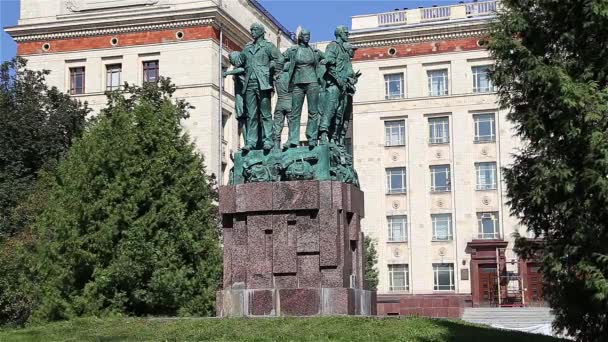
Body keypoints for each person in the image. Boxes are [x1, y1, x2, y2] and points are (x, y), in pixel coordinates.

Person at [242, 23, 283, 152]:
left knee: (265, 114)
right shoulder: (247, 47)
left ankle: (268, 140)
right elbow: (241, 62)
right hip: (249, 83)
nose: (252, 32)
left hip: (263, 83)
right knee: (251, 114)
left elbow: (280, 60)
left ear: (261, 32)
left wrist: (272, 71)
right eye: (251, 30)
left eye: (254, 30)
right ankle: (251, 142)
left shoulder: (268, 46)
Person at [282, 28, 324, 148]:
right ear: (300, 36)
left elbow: (327, 58)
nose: (307, 37)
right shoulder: (293, 50)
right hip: (297, 83)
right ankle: (293, 139)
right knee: (295, 112)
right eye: (305, 35)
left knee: (313, 112)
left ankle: (312, 138)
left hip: (312, 82)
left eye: (309, 35)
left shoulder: (314, 51)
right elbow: (280, 58)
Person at [319, 25, 352, 144]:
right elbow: (329, 64)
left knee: (339, 114)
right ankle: (323, 135)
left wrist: (350, 80)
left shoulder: (345, 50)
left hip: (343, 87)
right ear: (339, 34)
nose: (347, 35)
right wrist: (338, 79)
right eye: (346, 33)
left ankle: (334, 138)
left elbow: (348, 70)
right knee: (330, 110)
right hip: (334, 85)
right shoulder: (333, 46)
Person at [223, 51, 247, 142]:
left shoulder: (242, 68)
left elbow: (241, 70)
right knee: (242, 120)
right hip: (239, 97)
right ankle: (246, 141)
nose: (231, 61)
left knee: (247, 119)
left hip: (245, 96)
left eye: (231, 59)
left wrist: (227, 73)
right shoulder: (236, 68)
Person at [272, 62, 292, 150]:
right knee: (291, 124)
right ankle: (290, 142)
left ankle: (276, 145)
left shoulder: (277, 77)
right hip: (290, 102)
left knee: (277, 125)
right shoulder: (292, 77)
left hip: (279, 103)